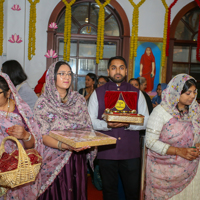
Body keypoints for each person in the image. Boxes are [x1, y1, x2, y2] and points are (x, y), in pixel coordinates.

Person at [88, 56, 149, 200]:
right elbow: (89, 121)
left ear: (126, 71)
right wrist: (107, 125)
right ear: (108, 71)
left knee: (132, 192)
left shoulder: (136, 93)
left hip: (131, 152)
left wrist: (128, 124)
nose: (118, 71)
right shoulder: (98, 93)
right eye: (114, 68)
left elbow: (146, 121)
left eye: (121, 67)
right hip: (107, 151)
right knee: (109, 193)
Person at [34, 61, 96, 200]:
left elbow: (87, 127)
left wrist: (83, 142)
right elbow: (41, 135)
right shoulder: (43, 103)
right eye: (61, 74)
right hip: (53, 157)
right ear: (52, 77)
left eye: (69, 74)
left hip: (77, 156)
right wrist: (64, 145)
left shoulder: (78, 100)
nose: (66, 77)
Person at [145, 74, 200, 200]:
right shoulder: (161, 111)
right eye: (188, 93)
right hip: (162, 171)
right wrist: (179, 151)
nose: (192, 96)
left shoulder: (195, 111)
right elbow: (150, 141)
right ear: (176, 92)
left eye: (194, 92)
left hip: (191, 168)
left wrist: (198, 144)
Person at [0, 73, 43, 200]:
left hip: (16, 169)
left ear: (8, 93)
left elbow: (33, 145)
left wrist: (25, 135)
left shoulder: (21, 111)